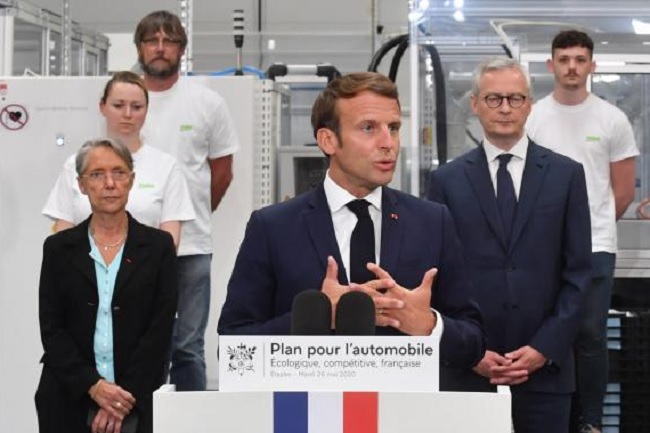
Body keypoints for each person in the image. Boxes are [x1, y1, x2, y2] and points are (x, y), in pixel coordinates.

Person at [218, 72, 485, 372]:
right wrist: (316, 317)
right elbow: (231, 347)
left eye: (394, 128)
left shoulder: (433, 222)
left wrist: (429, 325)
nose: (389, 143)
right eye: (369, 128)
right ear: (328, 140)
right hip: (306, 413)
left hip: (406, 414)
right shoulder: (273, 228)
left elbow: (473, 343)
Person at [427, 58, 592, 433]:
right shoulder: (447, 181)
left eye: (515, 98)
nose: (505, 108)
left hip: (546, 372)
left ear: (530, 103)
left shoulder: (566, 176)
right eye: (494, 98)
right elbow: (436, 277)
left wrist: (543, 349)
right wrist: (469, 352)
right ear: (474, 104)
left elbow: (580, 274)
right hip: (469, 372)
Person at [526, 30, 639, 433]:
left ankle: (590, 423)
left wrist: (589, 227)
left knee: (590, 337)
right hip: (541, 251)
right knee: (547, 336)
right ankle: (551, 421)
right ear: (550, 65)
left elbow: (622, 192)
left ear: (591, 65)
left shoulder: (612, 119)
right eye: (564, 59)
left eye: (579, 59)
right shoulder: (533, 117)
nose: (571, 66)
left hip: (596, 247)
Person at [35, 138, 178, 433]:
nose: (110, 183)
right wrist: (94, 387)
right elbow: (52, 329)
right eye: (97, 174)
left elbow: (160, 328)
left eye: (119, 172)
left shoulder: (159, 247)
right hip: (68, 398)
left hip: (137, 399)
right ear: (82, 184)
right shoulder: (58, 249)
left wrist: (120, 400)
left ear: (132, 180)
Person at [133, 10, 239, 391]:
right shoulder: (128, 102)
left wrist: (186, 215)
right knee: (140, 344)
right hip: (133, 246)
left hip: (192, 246)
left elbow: (223, 172)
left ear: (181, 49)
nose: (160, 48)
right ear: (140, 47)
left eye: (169, 40)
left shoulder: (206, 103)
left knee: (189, 347)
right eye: (152, 40)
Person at [43, 71, 195, 250]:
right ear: (102, 107)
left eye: (137, 107)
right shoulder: (75, 164)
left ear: (147, 110)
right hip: (84, 272)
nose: (127, 114)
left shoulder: (167, 166)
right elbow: (63, 235)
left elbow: (170, 241)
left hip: (145, 273)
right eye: (118, 105)